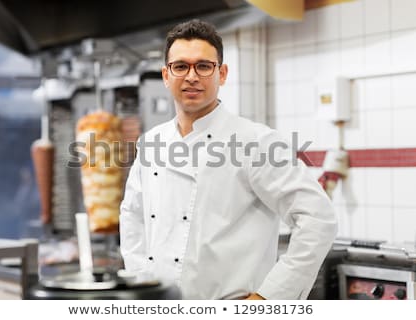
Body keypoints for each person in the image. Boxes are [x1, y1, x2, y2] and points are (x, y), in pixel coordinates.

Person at [120, 19, 337, 300]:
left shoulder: (256, 142)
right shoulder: (151, 143)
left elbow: (318, 219)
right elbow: (133, 217)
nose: (192, 76)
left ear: (221, 74)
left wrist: (269, 297)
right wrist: (141, 285)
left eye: (203, 66)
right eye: (181, 66)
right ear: (165, 75)